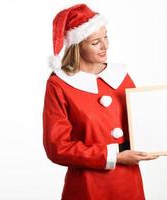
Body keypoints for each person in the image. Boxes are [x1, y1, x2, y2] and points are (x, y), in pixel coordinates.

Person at [42, 3, 159, 200]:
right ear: (77, 46)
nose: (105, 46)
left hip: (128, 183)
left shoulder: (121, 76)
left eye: (106, 37)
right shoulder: (60, 84)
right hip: (87, 186)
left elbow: (144, 126)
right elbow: (58, 147)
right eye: (95, 42)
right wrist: (113, 156)